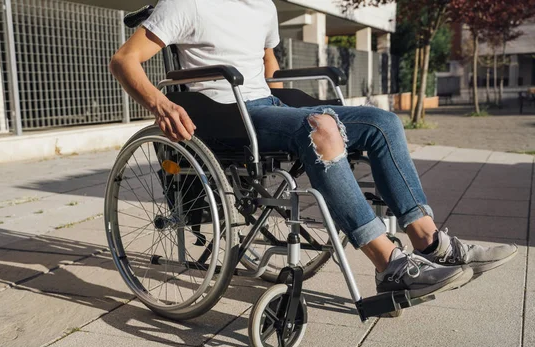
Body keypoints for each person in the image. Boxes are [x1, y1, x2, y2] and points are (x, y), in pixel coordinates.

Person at [109, 0, 517, 298]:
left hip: (266, 108)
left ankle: (432, 244)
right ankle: (389, 263)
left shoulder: (263, 7)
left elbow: (270, 71)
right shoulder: (186, 4)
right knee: (320, 127)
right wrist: (162, 104)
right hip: (223, 115)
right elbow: (125, 60)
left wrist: (296, 118)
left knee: (382, 122)